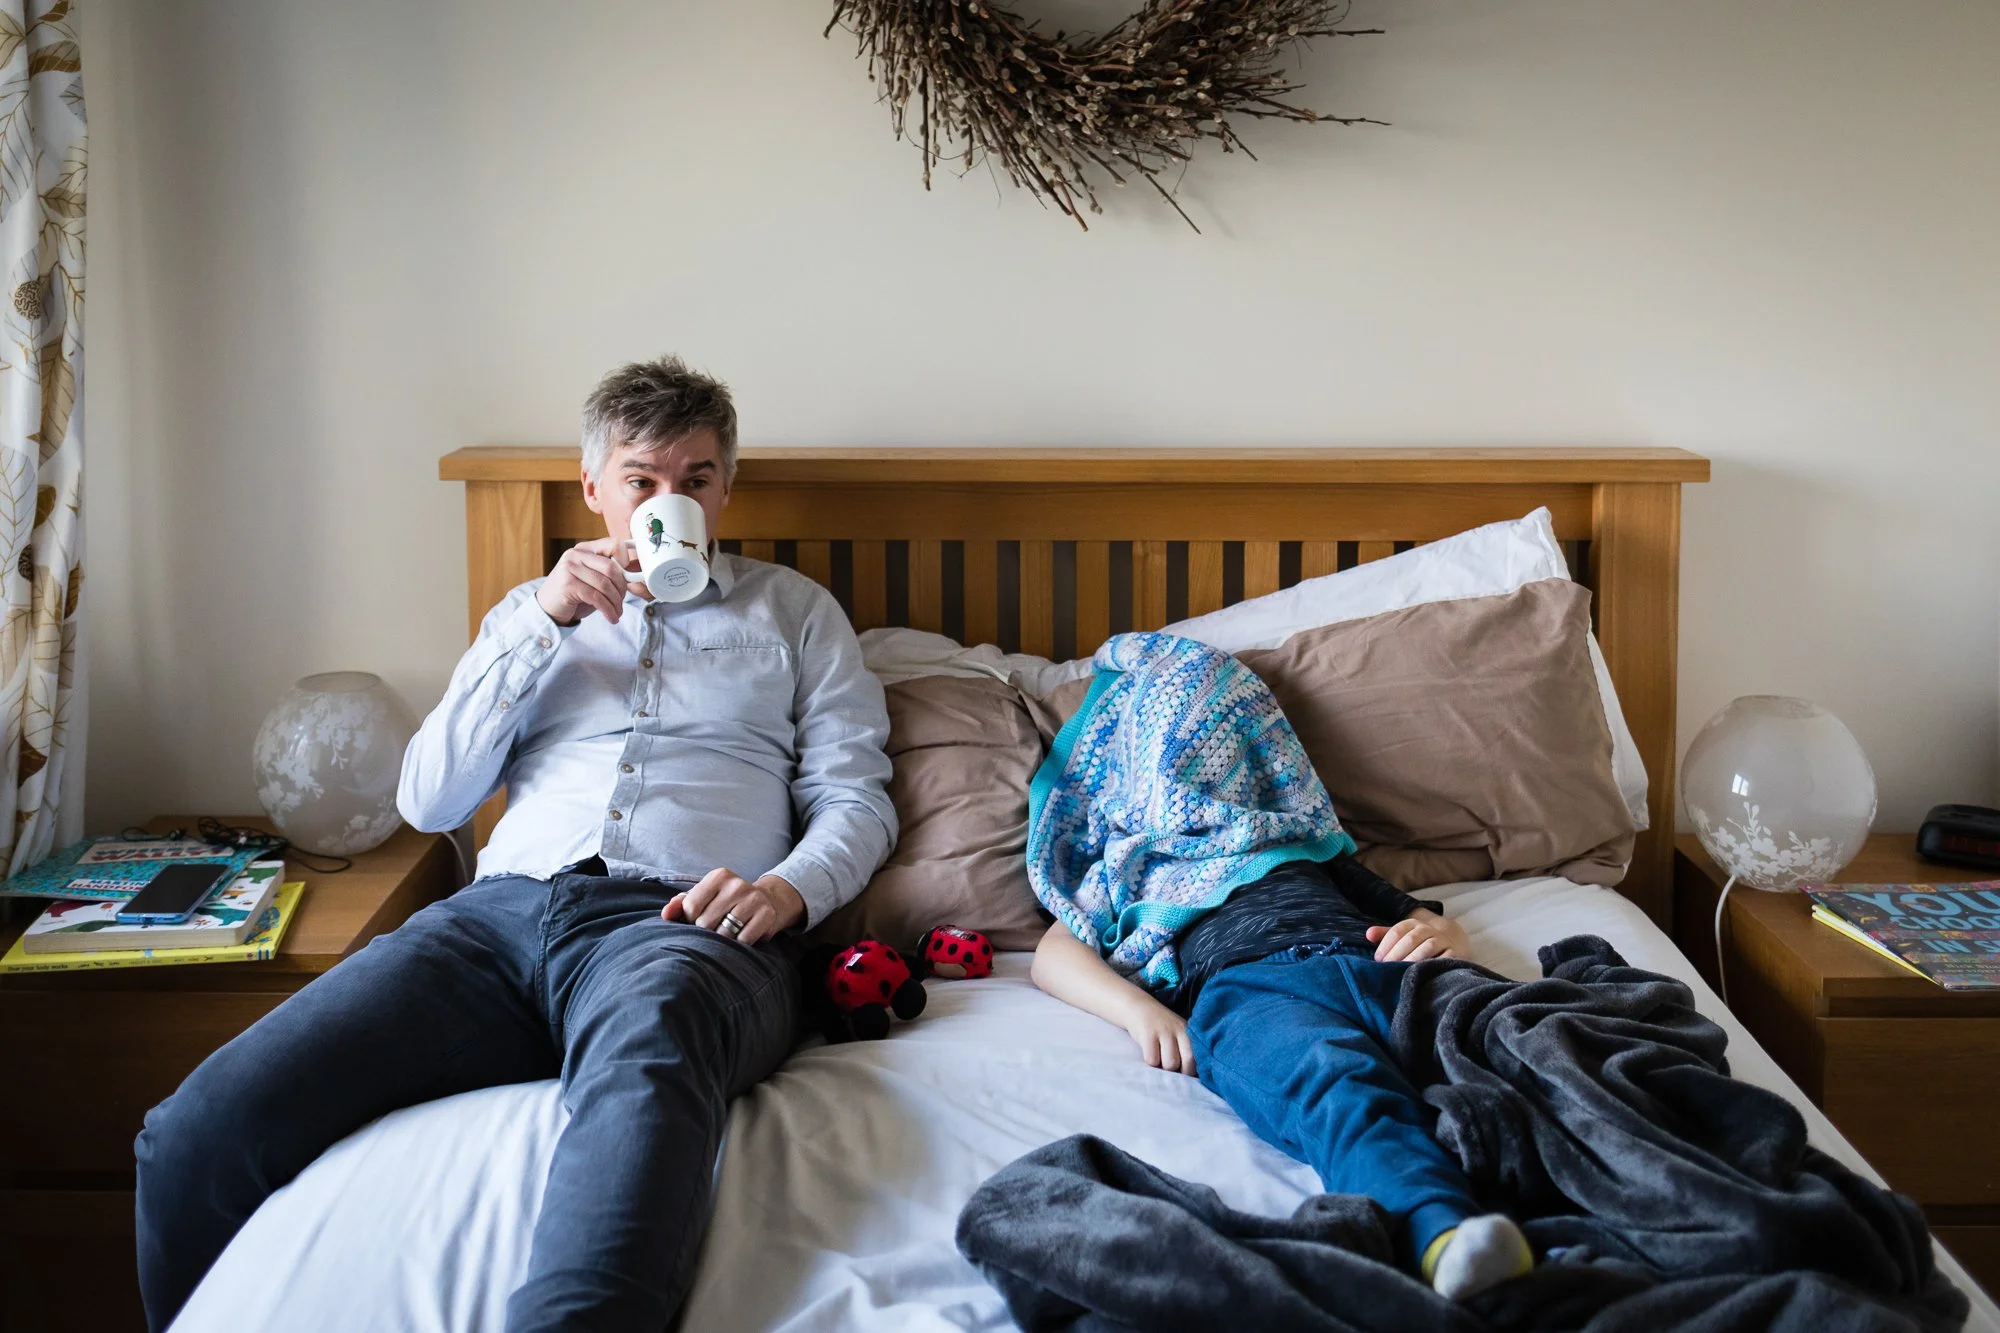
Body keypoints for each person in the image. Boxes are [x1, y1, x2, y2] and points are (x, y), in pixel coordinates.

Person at [133, 357, 896, 1332]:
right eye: (642, 479)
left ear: (724, 487)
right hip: (493, 926)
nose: (672, 499)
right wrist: (541, 622)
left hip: (681, 928)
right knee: (193, 1134)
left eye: (695, 478)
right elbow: (429, 794)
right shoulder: (525, 618)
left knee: (651, 1046)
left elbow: (856, 799)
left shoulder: (793, 613)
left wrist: (788, 890)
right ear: (593, 490)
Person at [1026, 632, 1533, 1302]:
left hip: (1379, 962)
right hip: (1253, 991)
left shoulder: (1307, 846)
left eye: (1224, 744)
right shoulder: (1132, 866)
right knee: (1336, 1086)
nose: (1202, 768)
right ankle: (1443, 1232)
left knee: (1521, 1040)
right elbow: (1052, 954)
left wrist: (1445, 937)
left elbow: (1426, 918)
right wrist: (1137, 1009)